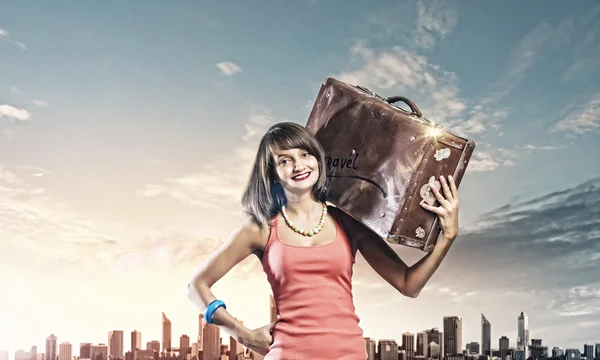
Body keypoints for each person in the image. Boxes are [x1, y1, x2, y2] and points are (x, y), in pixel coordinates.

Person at [185, 122, 460, 359]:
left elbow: (408, 284)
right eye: (284, 160)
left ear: (318, 159)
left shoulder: (348, 221)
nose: (298, 165)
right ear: (272, 173)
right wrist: (242, 334)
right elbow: (195, 286)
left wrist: (447, 236)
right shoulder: (260, 227)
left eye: (305, 154)